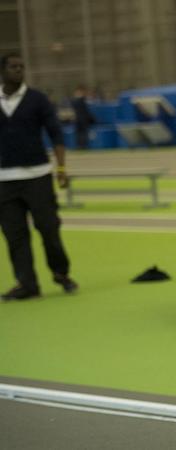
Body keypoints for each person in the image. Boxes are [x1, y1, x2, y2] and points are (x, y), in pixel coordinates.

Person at [0, 52, 79, 300]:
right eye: (13, 67)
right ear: (2, 71)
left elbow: (56, 135)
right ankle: (27, 284)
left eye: (22, 67)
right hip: (4, 181)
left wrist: (62, 168)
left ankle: (61, 273)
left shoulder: (38, 100)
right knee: (15, 236)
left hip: (38, 176)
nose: (18, 70)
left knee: (49, 228)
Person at [70, 85, 95, 149]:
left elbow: (85, 111)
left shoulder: (81, 100)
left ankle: (82, 146)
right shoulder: (78, 100)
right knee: (80, 134)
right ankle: (81, 146)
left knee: (82, 134)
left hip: (81, 120)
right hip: (80, 120)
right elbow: (84, 111)